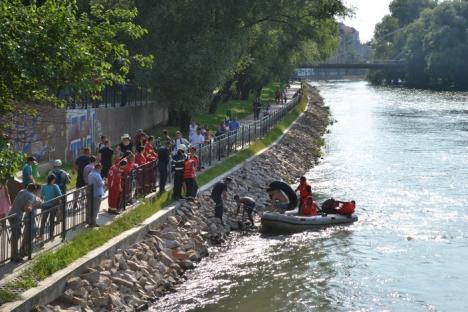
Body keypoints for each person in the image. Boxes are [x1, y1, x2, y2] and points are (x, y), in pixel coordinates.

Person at [8, 184, 43, 262]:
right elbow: (28, 208)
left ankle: (14, 255)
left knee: (15, 236)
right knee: (16, 236)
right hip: (17, 216)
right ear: (34, 191)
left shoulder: (22, 191)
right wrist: (32, 206)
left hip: (11, 214)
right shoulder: (32, 196)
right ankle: (14, 257)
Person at [39, 174, 62, 240]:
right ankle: (51, 235)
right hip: (53, 206)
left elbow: (41, 196)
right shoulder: (55, 186)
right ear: (53, 180)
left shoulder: (43, 186)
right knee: (52, 221)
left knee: (43, 221)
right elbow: (60, 195)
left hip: (45, 205)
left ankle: (41, 236)